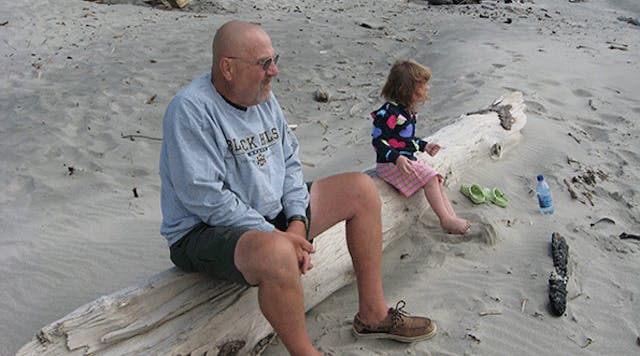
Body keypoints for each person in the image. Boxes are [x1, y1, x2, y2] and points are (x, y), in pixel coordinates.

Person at [159, 20, 436, 355]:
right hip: (204, 230)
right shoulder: (190, 109)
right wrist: (278, 238)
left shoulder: (262, 97)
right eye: (264, 63)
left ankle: (373, 314)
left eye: (275, 59)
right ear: (227, 68)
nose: (274, 71)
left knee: (361, 189)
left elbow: (289, 162)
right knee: (277, 254)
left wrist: (296, 223)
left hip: (272, 213)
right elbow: (204, 197)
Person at [371, 60, 471, 235]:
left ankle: (451, 216)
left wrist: (425, 146)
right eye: (423, 85)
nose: (428, 88)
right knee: (431, 178)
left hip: (403, 160)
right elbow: (378, 141)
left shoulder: (406, 111)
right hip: (389, 164)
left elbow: (404, 140)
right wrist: (397, 157)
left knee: (437, 180)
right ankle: (445, 220)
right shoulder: (389, 113)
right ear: (405, 90)